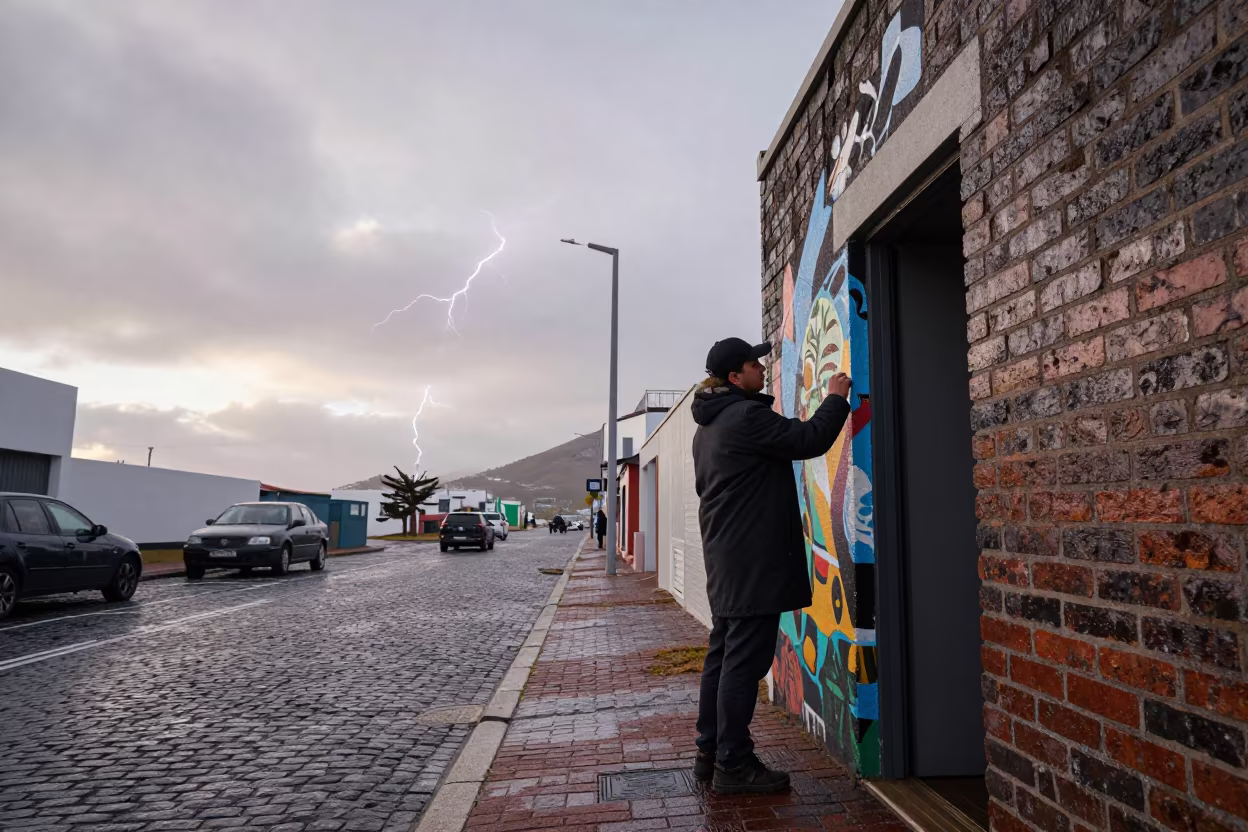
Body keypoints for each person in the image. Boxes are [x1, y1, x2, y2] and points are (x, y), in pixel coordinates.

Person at [690, 337, 851, 794]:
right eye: (754, 363)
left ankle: (710, 752)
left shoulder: (710, 427)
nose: (763, 368)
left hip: (729, 561)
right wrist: (835, 400)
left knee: (722, 659)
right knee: (743, 664)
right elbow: (808, 439)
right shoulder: (744, 417)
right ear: (736, 377)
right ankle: (733, 765)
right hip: (751, 563)